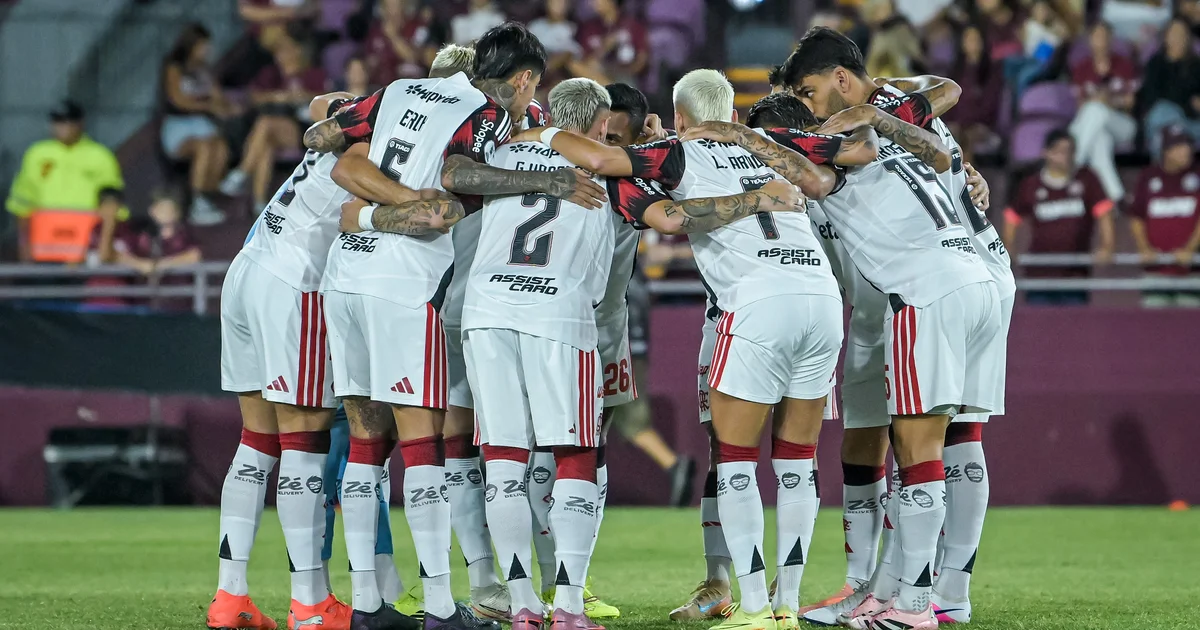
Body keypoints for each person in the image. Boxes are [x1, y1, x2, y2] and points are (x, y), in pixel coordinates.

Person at [518, 68, 875, 630]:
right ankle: (787, 606)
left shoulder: (676, 153)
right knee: (797, 462)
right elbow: (857, 148)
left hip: (756, 303)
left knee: (733, 460)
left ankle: (753, 609)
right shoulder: (774, 142)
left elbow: (608, 163)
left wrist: (541, 135)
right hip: (822, 299)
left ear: (680, 118)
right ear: (733, 115)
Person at [306, 21, 604, 630]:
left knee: (366, 442)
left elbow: (325, 140)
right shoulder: (485, 111)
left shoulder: (397, 89)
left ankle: (366, 604)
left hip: (346, 273)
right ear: (522, 79)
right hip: (405, 285)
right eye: (532, 90)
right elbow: (456, 182)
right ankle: (441, 606)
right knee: (421, 446)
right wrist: (544, 180)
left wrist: (374, 205)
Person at [739, 26, 1003, 629]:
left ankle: (916, 602)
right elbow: (942, 125)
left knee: (924, 449)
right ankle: (907, 592)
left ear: (837, 80)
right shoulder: (892, 124)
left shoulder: (841, 142)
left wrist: (747, 138)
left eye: (809, 94)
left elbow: (941, 95)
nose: (810, 110)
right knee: (934, 441)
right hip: (968, 274)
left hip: (920, 291)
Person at [212, 92, 370, 630]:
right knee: (304, 443)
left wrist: (349, 107)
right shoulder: (378, 143)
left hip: (247, 267)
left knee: (256, 443)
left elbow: (319, 101)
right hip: (294, 280)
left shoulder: (351, 121)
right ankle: (310, 604)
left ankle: (230, 598)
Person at [1003, 129, 1114, 306]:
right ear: (1045, 152)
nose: (1066, 156)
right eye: (1060, 151)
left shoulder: (1087, 179)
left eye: (1070, 151)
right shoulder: (1031, 185)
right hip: (1039, 274)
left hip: (1075, 274)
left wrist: (1107, 246)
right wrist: (1009, 245)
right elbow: (1012, 215)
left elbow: (1104, 211)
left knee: (1075, 328)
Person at [5, 100, 125, 263]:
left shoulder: (99, 156)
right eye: (58, 122)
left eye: (68, 122)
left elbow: (111, 204)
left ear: (80, 124)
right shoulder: (37, 154)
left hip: (85, 250)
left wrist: (104, 246)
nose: (63, 127)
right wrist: (24, 247)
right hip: (44, 249)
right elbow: (22, 204)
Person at [221, 35, 330, 211]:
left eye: (286, 50)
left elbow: (327, 98)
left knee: (266, 123)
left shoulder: (313, 73)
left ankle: (242, 172)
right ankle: (259, 204)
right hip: (276, 128)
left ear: (298, 51)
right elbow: (254, 96)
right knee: (266, 146)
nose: (282, 56)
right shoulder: (271, 73)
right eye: (279, 52)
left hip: (306, 130)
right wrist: (277, 96)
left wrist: (303, 96)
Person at [160, 23, 232, 226]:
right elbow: (178, 99)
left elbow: (218, 98)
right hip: (179, 125)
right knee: (204, 147)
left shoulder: (205, 69)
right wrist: (208, 106)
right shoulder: (174, 67)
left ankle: (207, 197)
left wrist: (224, 107)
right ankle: (197, 202)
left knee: (220, 148)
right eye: (203, 45)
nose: (207, 50)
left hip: (202, 123)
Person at [1127, 125, 1200, 308]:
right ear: (1166, 151)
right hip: (1156, 271)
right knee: (1154, 329)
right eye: (1179, 147)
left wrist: (1190, 249)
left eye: (1187, 145)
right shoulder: (1148, 176)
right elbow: (1137, 217)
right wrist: (1144, 248)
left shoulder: (1198, 175)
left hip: (1191, 271)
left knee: (1189, 329)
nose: (1187, 151)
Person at [1068, 21, 1140, 201]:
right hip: (1096, 128)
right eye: (1097, 37)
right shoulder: (1082, 68)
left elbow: (1130, 102)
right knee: (1100, 141)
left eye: (1105, 36)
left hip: (1123, 124)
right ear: (1089, 41)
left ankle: (1073, 162)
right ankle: (1117, 197)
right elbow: (1080, 106)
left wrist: (1107, 100)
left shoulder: (1124, 65)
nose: (1101, 41)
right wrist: (1098, 101)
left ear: (1111, 40)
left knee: (1097, 109)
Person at [1139, 18, 1200, 159]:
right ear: (1166, 37)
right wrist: (1189, 102)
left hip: (1191, 123)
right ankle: (1161, 173)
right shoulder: (1155, 63)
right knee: (1162, 112)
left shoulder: (1196, 65)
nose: (1178, 38)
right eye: (1174, 33)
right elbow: (1151, 97)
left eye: (1182, 34)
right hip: (1164, 118)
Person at [943, 25, 1003, 159]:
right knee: (950, 134)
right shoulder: (954, 71)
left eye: (975, 39)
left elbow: (990, 104)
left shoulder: (992, 71)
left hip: (982, 125)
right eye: (968, 39)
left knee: (969, 136)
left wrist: (969, 123)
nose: (972, 43)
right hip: (957, 125)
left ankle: (967, 175)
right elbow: (947, 102)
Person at [572, 0, 649, 86]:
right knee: (573, 65)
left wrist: (622, 71)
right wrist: (605, 47)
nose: (593, 3)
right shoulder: (588, 28)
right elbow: (585, 64)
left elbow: (641, 61)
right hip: (597, 76)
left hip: (624, 76)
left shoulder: (633, 26)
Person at [364, 0, 437, 85]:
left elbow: (412, 57)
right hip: (381, 86)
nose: (392, 10)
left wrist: (393, 36)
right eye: (388, 6)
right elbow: (368, 62)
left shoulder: (418, 28)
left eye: (396, 5)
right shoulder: (376, 31)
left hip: (412, 86)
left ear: (404, 6)